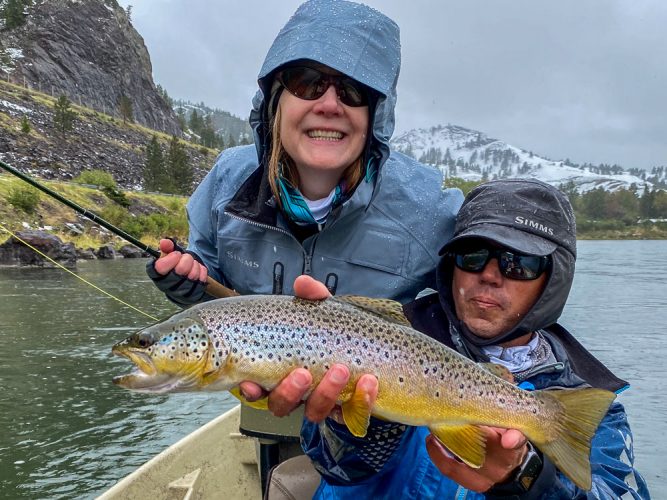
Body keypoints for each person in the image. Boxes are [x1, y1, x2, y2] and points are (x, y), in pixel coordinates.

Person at [258, 179, 650, 499]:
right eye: (474, 255)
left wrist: (526, 477)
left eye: (519, 262)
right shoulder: (383, 333)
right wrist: (363, 421)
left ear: (553, 280)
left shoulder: (585, 397)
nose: (490, 275)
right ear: (452, 265)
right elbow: (337, 470)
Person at [146, 0, 462, 307]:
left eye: (353, 91)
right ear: (275, 101)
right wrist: (188, 286)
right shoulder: (226, 182)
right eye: (306, 82)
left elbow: (484, 301)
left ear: (375, 114)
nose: (328, 105)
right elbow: (210, 275)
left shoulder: (431, 209)